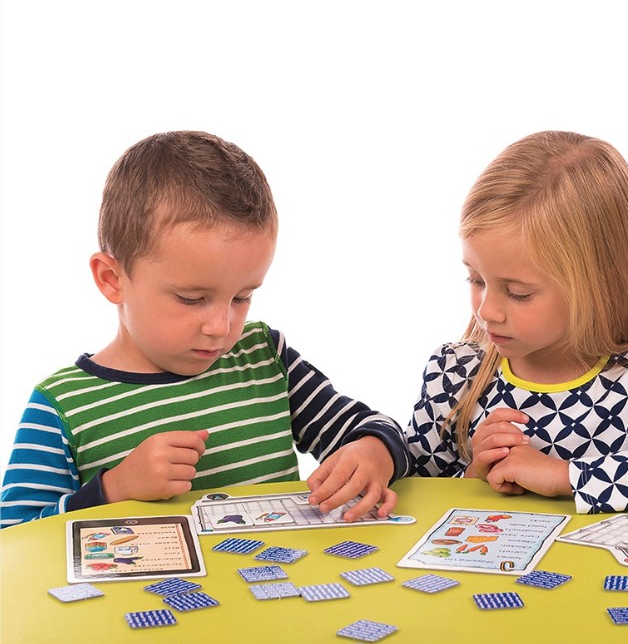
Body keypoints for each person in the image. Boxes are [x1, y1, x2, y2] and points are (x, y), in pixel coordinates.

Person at [1, 131, 409, 528]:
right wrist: (113, 489)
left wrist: (374, 451)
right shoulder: (61, 407)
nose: (221, 327)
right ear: (112, 279)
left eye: (242, 297)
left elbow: (376, 428)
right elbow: (15, 537)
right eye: (191, 298)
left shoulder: (265, 358)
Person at [404, 130, 628, 513]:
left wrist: (566, 476)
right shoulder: (455, 374)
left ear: (598, 283)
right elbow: (410, 499)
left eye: (518, 293)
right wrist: (473, 477)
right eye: (475, 280)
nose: (487, 311)